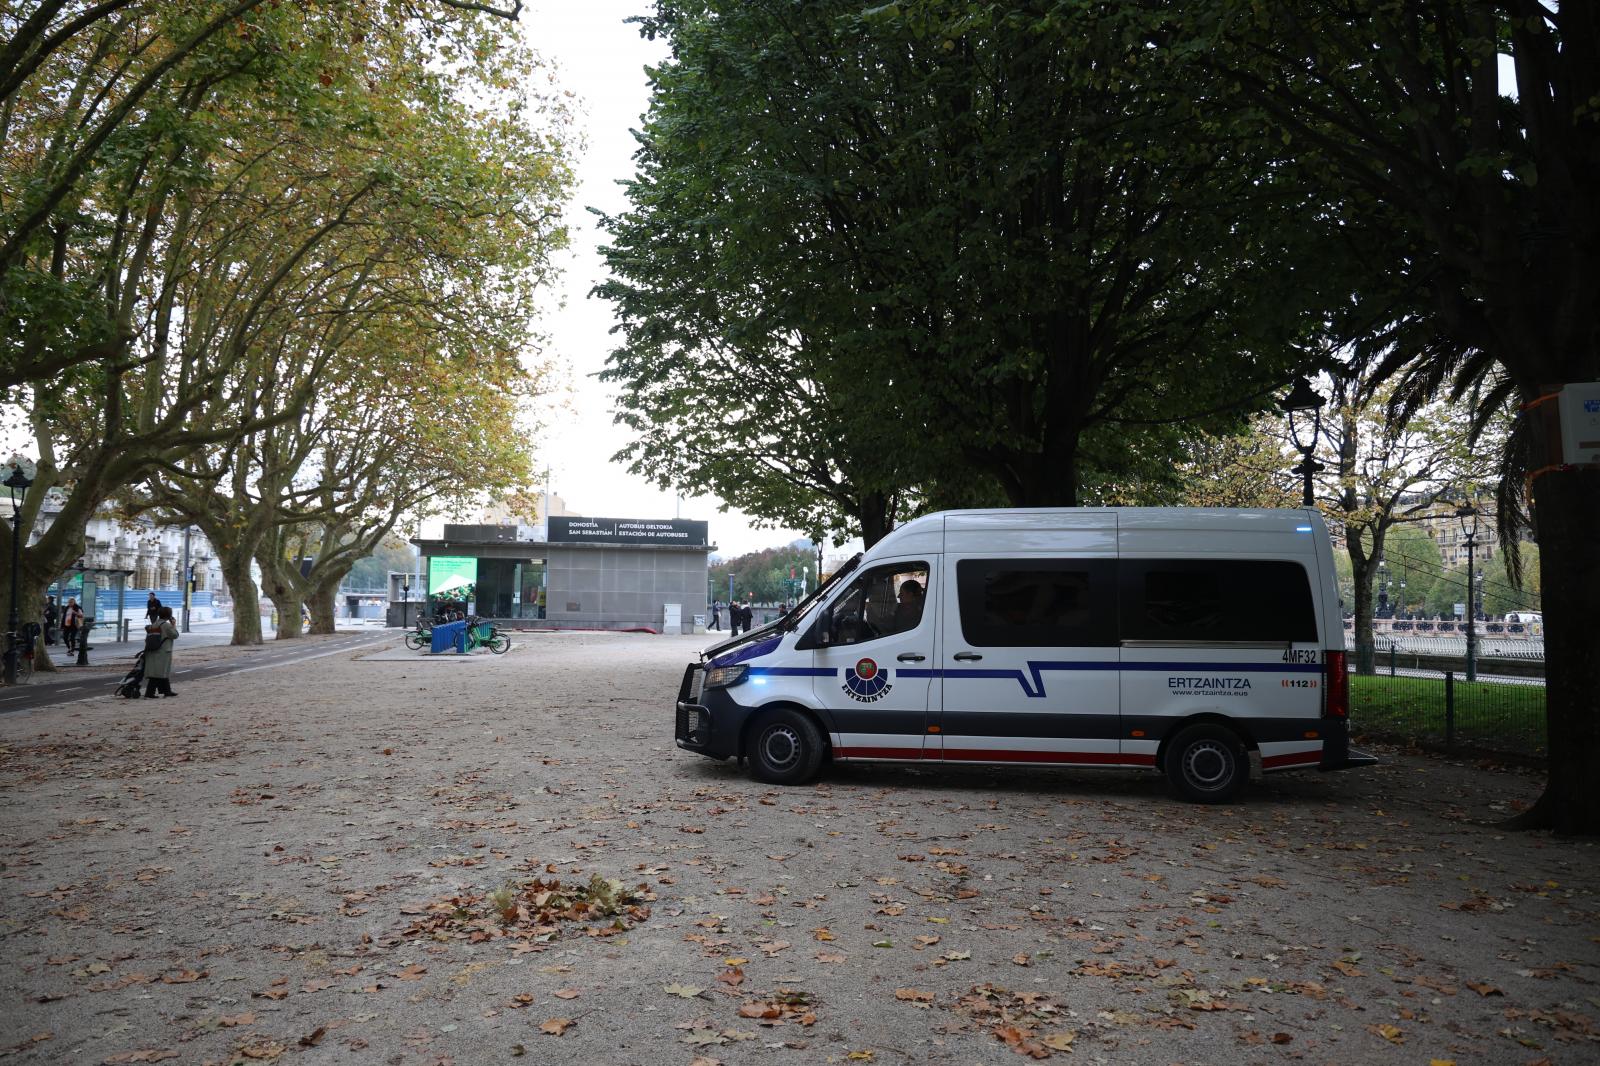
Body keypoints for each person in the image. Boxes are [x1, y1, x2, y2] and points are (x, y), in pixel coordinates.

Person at [143, 606, 179, 697]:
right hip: (162, 651)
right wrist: (173, 624)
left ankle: (167, 691)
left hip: (152, 650)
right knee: (159, 672)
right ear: (169, 615)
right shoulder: (166, 625)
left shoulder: (154, 624)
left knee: (160, 671)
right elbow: (175, 635)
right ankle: (149, 693)